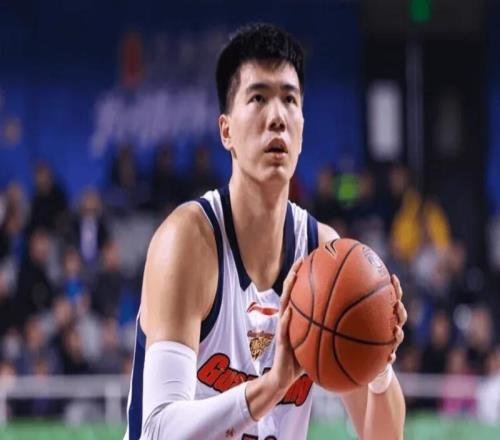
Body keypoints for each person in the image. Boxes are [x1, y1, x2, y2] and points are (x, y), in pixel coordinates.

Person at [124, 24, 407, 440]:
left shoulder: (324, 255)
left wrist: (378, 362)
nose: (277, 117)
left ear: (302, 128)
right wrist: (273, 386)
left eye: (289, 100)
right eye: (258, 98)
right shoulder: (187, 242)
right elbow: (158, 430)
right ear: (226, 131)